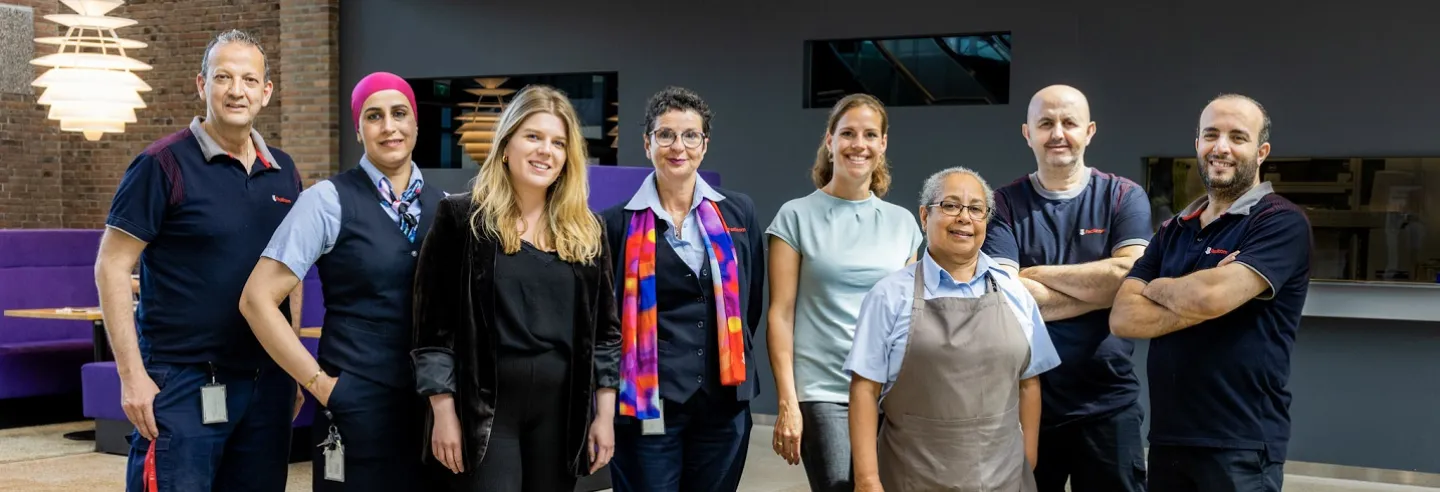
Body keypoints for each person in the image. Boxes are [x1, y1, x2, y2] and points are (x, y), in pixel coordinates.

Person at [93, 29, 304, 492]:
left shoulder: (284, 171)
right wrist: (131, 377)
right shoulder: (161, 164)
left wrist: (292, 368)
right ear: (201, 85)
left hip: (266, 383)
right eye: (223, 77)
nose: (236, 90)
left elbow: (291, 273)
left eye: (249, 80)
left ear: (266, 92)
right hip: (183, 383)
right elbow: (111, 265)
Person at [410, 84, 620, 492]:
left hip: (561, 414)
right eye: (533, 136)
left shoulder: (588, 231)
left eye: (558, 142)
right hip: (486, 411)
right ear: (506, 146)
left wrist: (605, 415)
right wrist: (443, 412)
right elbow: (432, 331)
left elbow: (606, 335)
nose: (546, 151)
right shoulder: (461, 219)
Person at [238, 71, 442, 491]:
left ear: (416, 124)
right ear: (358, 129)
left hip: (432, 413)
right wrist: (319, 385)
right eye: (374, 116)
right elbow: (256, 299)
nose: (389, 126)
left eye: (399, 113)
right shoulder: (325, 201)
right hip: (355, 405)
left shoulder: (447, 207)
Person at [1111, 94, 1312, 492]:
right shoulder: (1174, 229)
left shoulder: (1280, 221)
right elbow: (1123, 317)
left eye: (1238, 137)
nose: (1221, 147)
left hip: (1242, 444)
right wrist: (1203, 293)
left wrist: (1158, 287)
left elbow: (1211, 298)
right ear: (1197, 144)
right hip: (1168, 438)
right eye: (1211, 134)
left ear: (1261, 152)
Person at [846, 167, 1061, 492]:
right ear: (924, 215)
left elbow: (1029, 382)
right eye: (950, 205)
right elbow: (864, 388)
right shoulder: (889, 295)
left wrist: (1027, 459)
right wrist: (867, 480)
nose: (964, 218)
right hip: (911, 479)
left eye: (976, 209)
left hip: (1003, 480)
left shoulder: (1014, 291)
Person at [981, 84, 1152, 492]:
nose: (1058, 133)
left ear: (1089, 131)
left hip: (1108, 403)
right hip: (1028, 402)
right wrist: (1101, 290)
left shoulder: (1123, 196)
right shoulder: (1002, 204)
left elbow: (1130, 276)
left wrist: (1035, 274)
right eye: (1046, 123)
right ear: (1027, 133)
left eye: (1069, 123)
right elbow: (1005, 298)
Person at [601, 86, 766, 492]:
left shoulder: (738, 212)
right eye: (666, 135)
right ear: (647, 144)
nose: (679, 147)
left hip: (724, 402)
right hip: (647, 405)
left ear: (704, 145)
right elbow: (604, 321)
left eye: (690, 135)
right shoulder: (614, 224)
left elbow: (751, 303)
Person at [765, 93, 922, 491]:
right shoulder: (795, 216)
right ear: (830, 141)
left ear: (883, 144)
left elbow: (909, 318)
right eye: (848, 133)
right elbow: (780, 314)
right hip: (823, 390)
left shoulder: (903, 224)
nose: (858, 144)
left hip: (889, 392)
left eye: (870, 134)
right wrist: (788, 401)